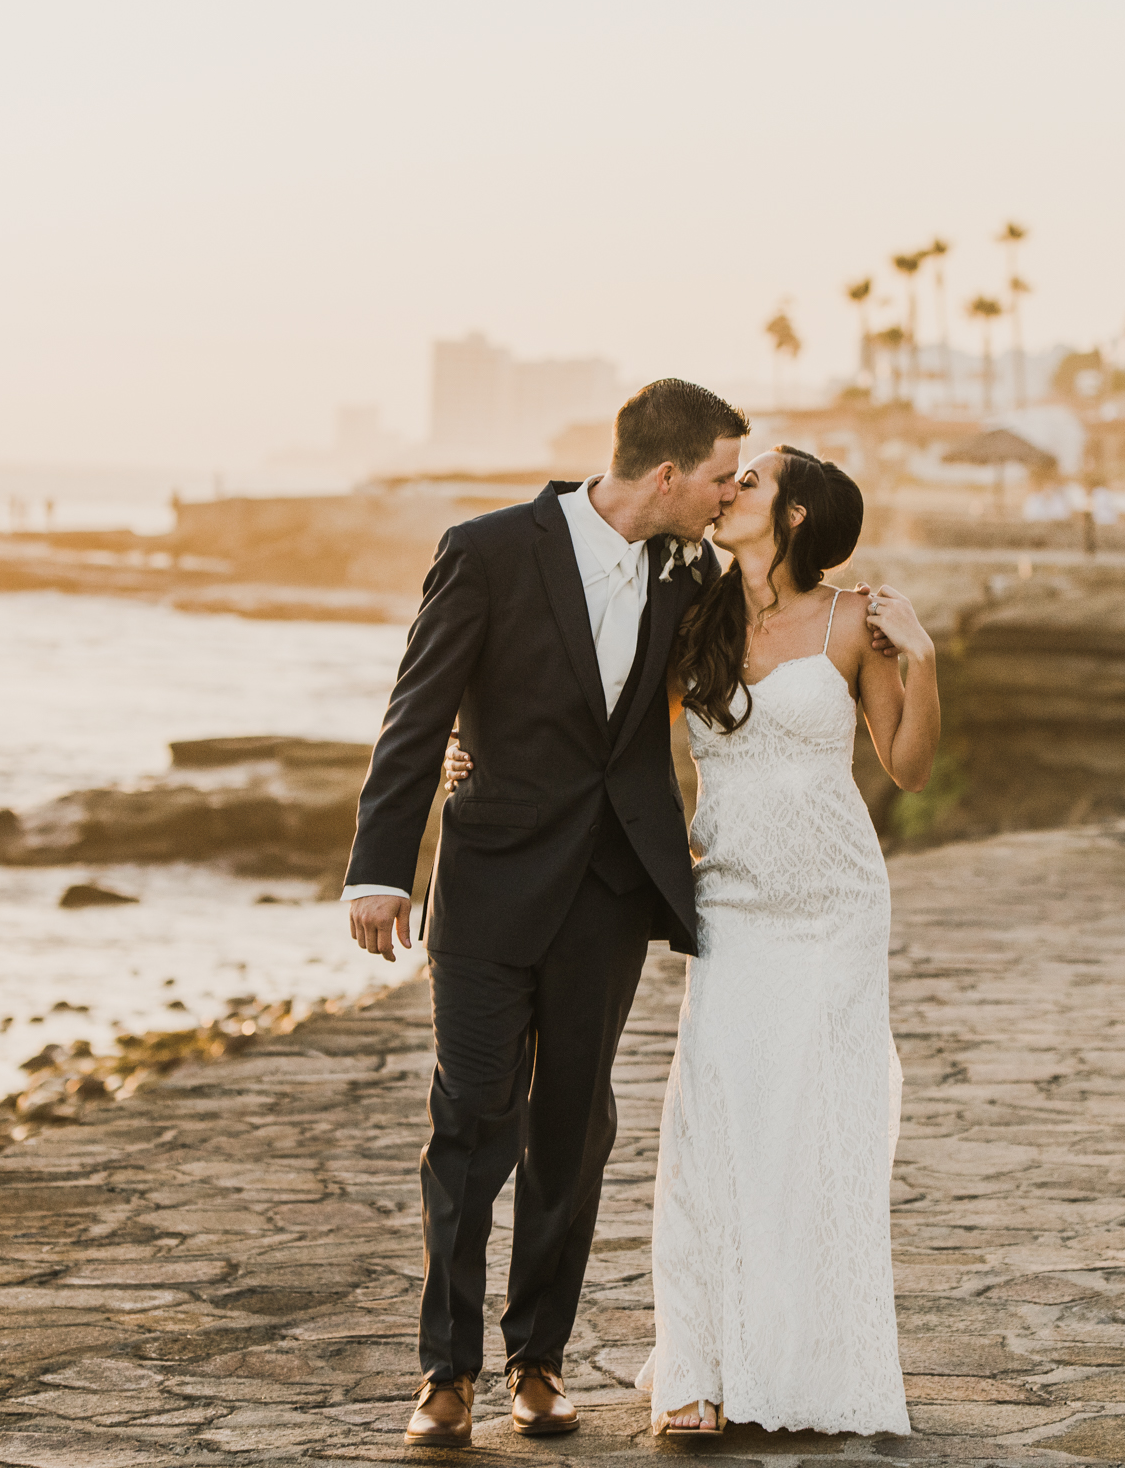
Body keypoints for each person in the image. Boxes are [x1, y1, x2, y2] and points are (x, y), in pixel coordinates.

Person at [446, 444, 940, 1437]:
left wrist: (921, 658)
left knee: (818, 1130)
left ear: (796, 516)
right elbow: (602, 711)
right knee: (714, 1127)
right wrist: (484, 745)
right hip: (732, 910)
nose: (729, 491)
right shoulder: (695, 618)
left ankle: (808, 1361)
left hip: (836, 907)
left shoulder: (857, 622)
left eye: (750, 482)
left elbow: (910, 764)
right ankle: (701, 1370)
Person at [342, 378, 745, 1448]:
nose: (724, 497)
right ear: (665, 474)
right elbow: (417, 709)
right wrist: (379, 866)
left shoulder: (693, 573)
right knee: (472, 1120)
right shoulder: (487, 549)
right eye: (715, 479)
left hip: (608, 894)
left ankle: (539, 1361)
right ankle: (446, 1374)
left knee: (574, 1128)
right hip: (487, 887)